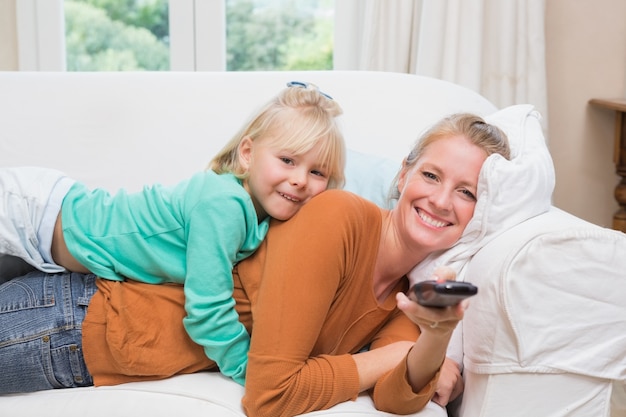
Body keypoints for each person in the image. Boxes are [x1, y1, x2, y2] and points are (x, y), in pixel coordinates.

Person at [0, 112, 511, 417]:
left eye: (465, 192)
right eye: (430, 175)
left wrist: (436, 339)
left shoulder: (406, 292)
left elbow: (397, 400)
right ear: (403, 176)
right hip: (79, 321)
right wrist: (400, 357)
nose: (442, 200)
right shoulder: (339, 215)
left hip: (91, 340)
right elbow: (270, 395)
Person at [0, 81, 345, 386]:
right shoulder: (224, 206)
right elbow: (208, 311)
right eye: (287, 160)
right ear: (247, 154)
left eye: (317, 171)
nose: (300, 179)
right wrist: (250, 370)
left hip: (48, 241)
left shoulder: (262, 216)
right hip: (33, 213)